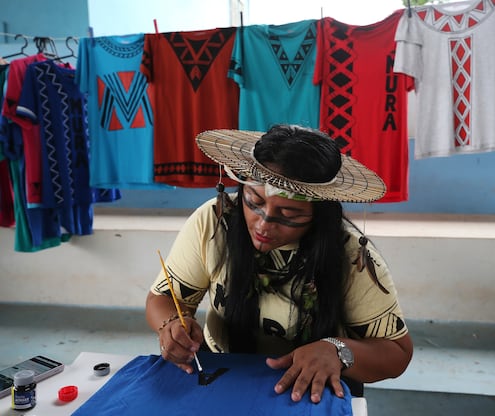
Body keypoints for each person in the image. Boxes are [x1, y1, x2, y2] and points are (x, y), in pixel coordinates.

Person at [145, 124, 413, 404]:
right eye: (254, 201)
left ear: (319, 215)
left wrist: (338, 350)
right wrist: (172, 325)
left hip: (313, 392)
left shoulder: (350, 256)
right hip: (223, 377)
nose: (263, 224)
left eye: (288, 214)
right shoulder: (215, 221)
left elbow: (397, 353)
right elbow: (164, 297)